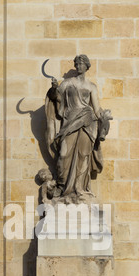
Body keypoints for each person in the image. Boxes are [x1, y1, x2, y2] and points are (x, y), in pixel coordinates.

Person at [45, 54, 111, 203]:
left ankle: (80, 189)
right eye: (77, 63)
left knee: (83, 155)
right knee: (63, 154)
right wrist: (54, 88)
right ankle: (62, 187)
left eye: (82, 63)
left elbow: (96, 108)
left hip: (87, 122)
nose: (79, 66)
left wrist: (104, 116)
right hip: (69, 122)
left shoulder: (91, 86)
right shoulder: (67, 83)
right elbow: (57, 98)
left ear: (87, 66)